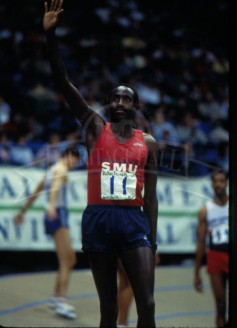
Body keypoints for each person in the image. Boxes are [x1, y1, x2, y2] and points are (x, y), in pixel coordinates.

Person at [43, 1, 159, 327]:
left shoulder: (148, 143)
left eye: (127, 98)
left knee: (147, 304)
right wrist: (51, 36)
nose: (120, 102)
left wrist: (154, 239)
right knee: (107, 309)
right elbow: (64, 81)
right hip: (99, 220)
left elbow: (151, 196)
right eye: (116, 97)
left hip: (134, 223)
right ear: (109, 104)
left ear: (134, 106)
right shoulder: (96, 128)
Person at [14, 146, 80, 319]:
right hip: (58, 214)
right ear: (69, 156)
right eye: (75, 160)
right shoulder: (61, 169)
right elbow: (56, 186)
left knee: (66, 259)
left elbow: (36, 191)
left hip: (54, 214)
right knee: (68, 260)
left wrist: (23, 211)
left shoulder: (51, 170)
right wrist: (51, 206)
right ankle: (61, 301)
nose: (74, 164)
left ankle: (56, 296)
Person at [194, 170, 229, 327]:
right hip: (215, 257)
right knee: (220, 305)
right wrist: (196, 273)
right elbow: (201, 242)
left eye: (222, 181)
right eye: (216, 181)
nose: (218, 184)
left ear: (226, 183)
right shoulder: (205, 211)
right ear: (212, 185)